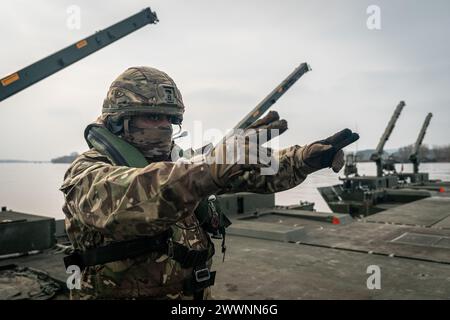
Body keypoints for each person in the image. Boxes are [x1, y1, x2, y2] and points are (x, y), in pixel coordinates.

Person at [60, 66, 359, 300]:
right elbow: (135, 196)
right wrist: (213, 166)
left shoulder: (180, 163)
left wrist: (305, 158)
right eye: (153, 117)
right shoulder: (86, 172)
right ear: (119, 122)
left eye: (171, 120)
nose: (165, 127)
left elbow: (249, 171)